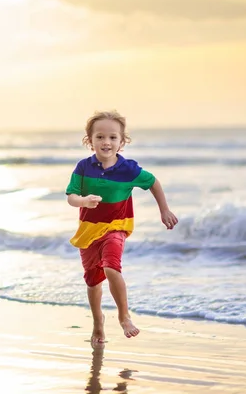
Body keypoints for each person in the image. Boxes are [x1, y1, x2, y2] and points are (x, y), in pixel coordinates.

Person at [65, 110, 178, 347]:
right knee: (93, 281)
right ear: (90, 140)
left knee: (111, 266)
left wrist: (164, 210)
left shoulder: (128, 169)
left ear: (122, 141)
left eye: (113, 137)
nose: (107, 142)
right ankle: (98, 322)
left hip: (117, 227)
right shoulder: (84, 167)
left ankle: (124, 316)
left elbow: (153, 182)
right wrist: (84, 201)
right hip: (88, 231)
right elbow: (71, 197)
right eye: (100, 137)